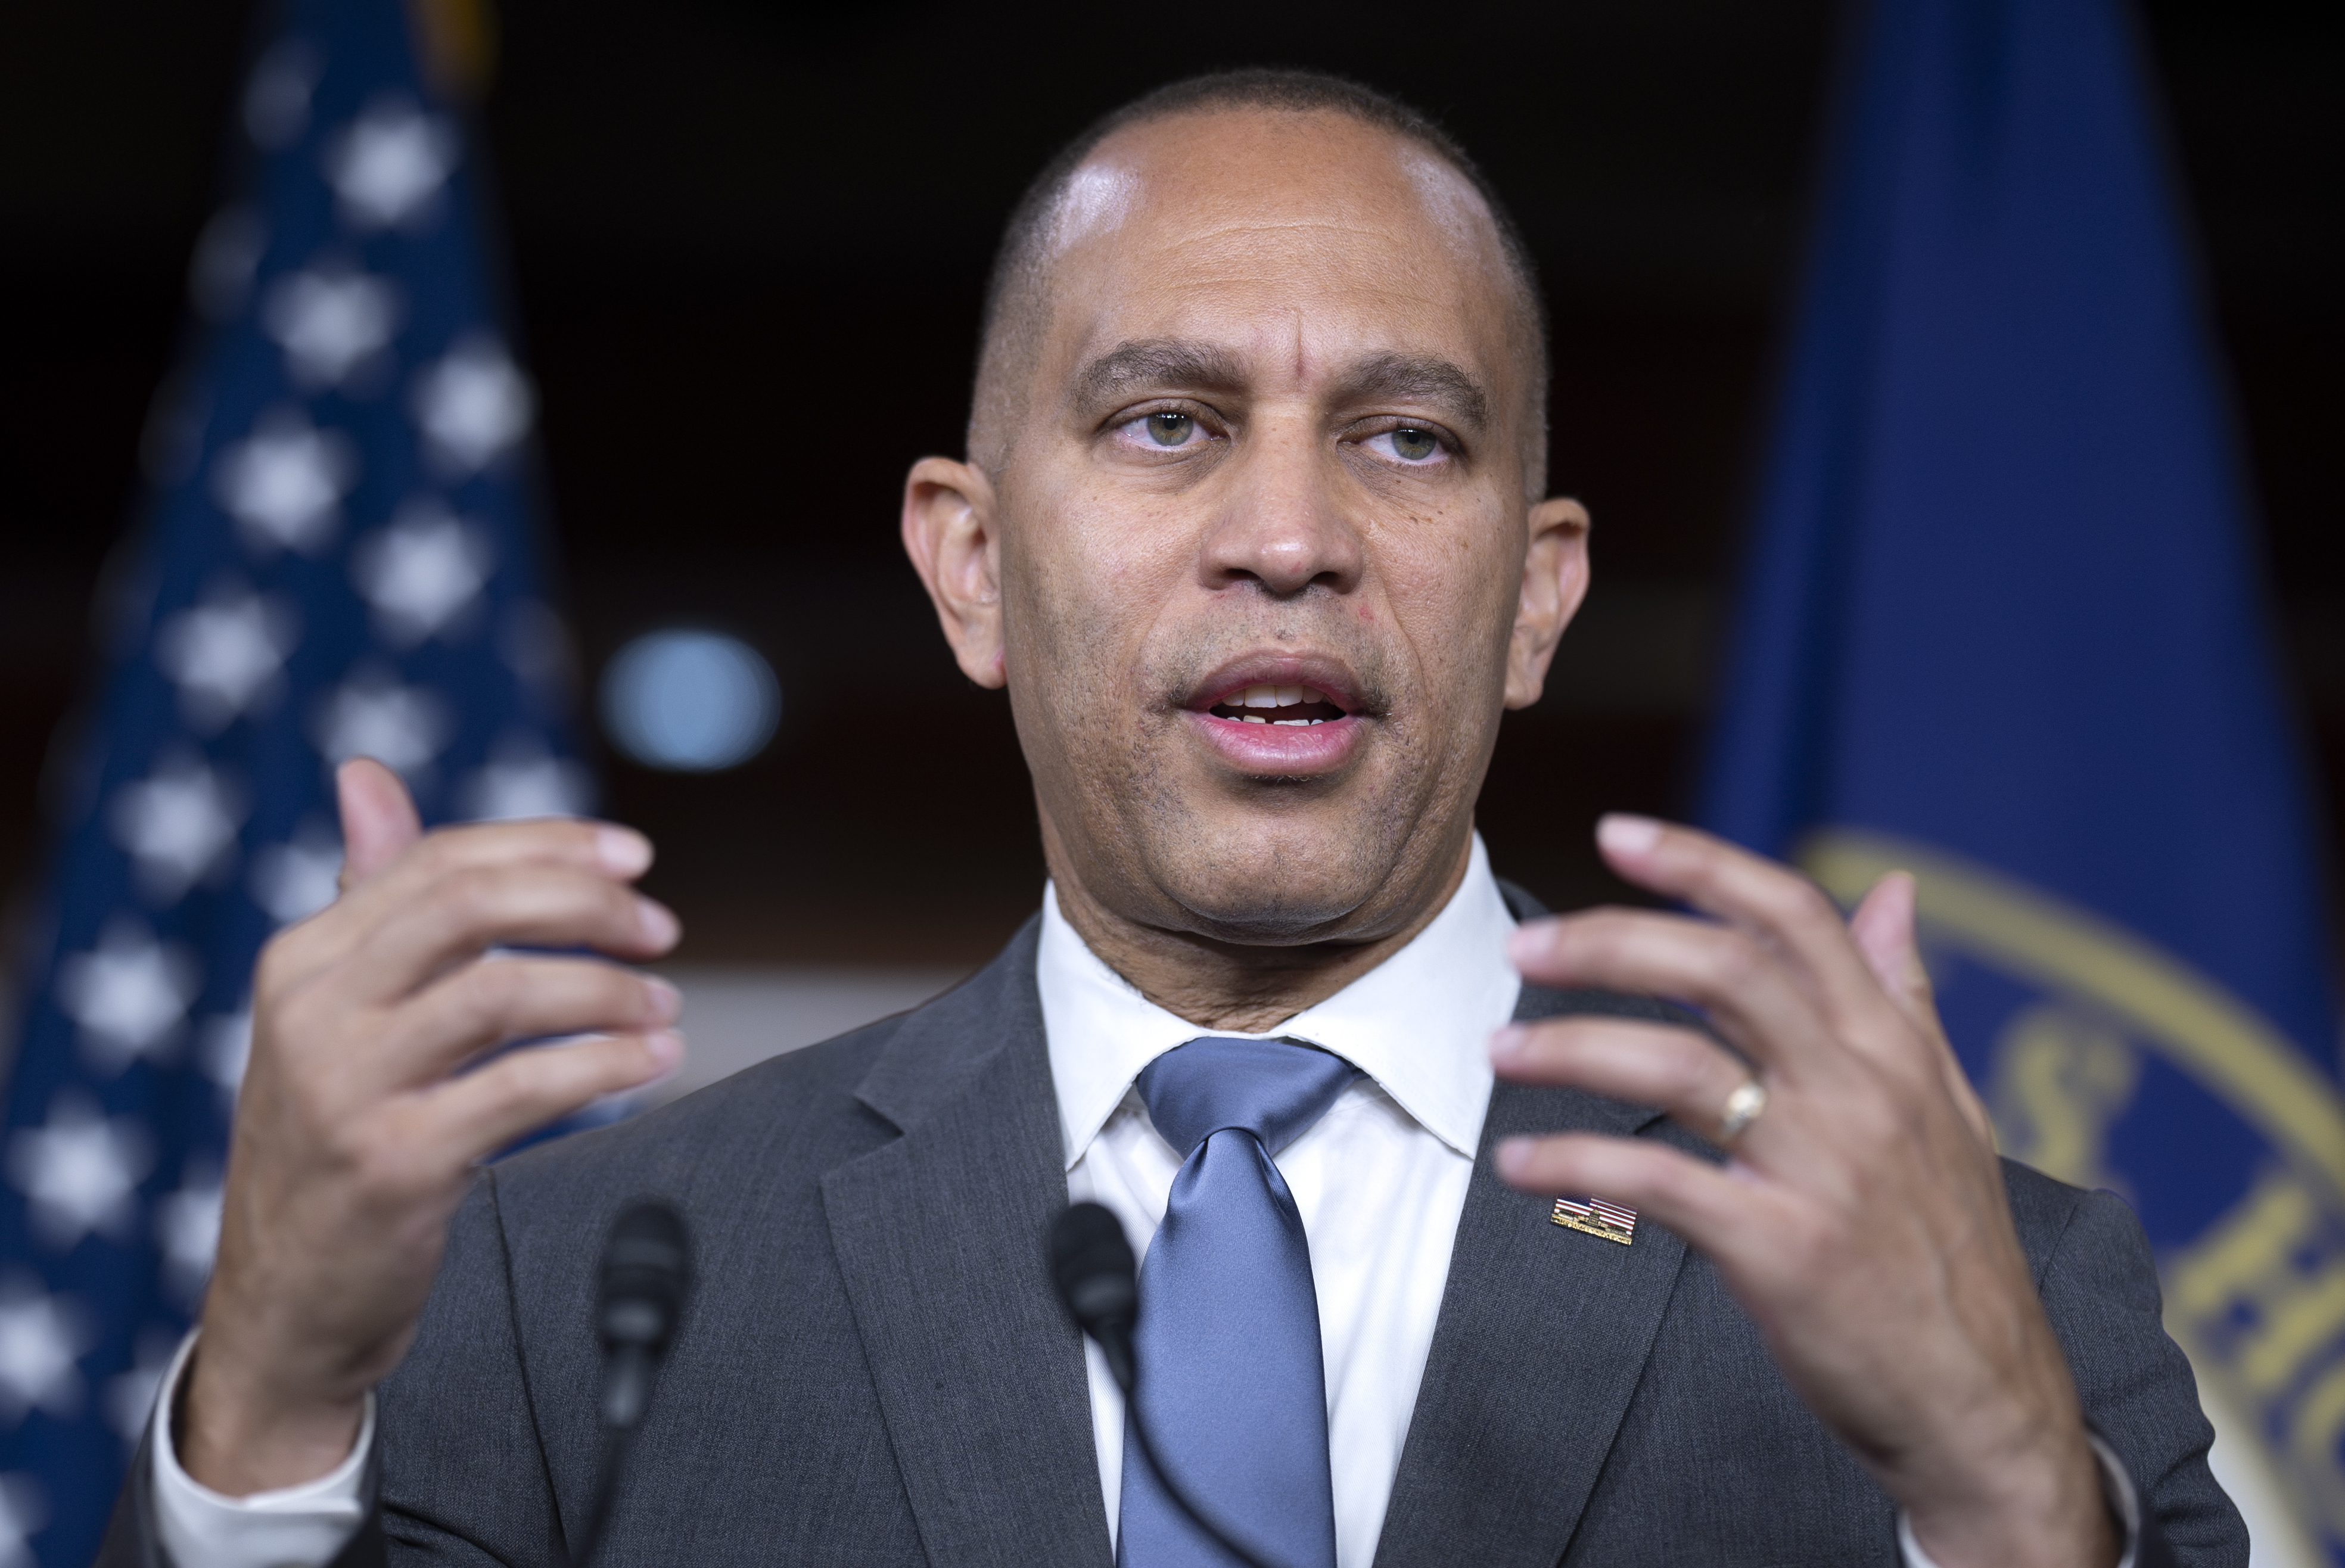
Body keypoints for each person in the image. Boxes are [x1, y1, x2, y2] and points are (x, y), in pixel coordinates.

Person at [102, 69, 2244, 1567]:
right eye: (1167, 423)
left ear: (1540, 593)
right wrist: (274, 1418)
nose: (1290, 536)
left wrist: (2005, 1507)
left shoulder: (2009, 1295)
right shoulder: (558, 1293)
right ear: (971, 568)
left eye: (1407, 440)